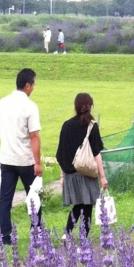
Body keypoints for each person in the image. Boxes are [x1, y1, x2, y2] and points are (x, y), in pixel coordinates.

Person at [0, 67, 43, 245]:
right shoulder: (30, 106)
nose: (34, 87)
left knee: (5, 200)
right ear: (27, 85)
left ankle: (5, 237)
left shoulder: (2, 103)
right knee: (34, 197)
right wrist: (38, 163)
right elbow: (34, 136)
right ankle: (36, 232)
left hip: (6, 159)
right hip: (26, 160)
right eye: (33, 84)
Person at [56, 92, 108, 236]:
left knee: (77, 206)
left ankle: (67, 235)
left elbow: (60, 153)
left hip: (71, 175)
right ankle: (83, 241)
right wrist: (102, 176)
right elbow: (97, 154)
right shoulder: (91, 126)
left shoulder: (66, 126)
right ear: (90, 107)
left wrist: (62, 176)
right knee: (87, 207)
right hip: (86, 173)